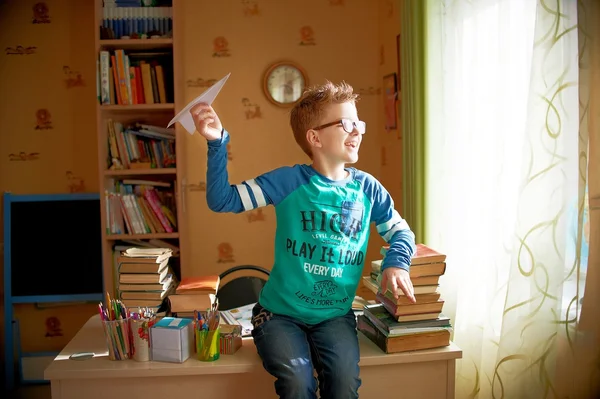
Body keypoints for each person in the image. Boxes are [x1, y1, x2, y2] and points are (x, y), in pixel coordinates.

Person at [190, 81, 417, 399]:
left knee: (343, 384)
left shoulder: (369, 190)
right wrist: (216, 143)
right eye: (347, 124)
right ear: (315, 137)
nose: (358, 132)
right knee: (298, 383)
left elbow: (402, 232)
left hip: (335, 316)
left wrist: (397, 262)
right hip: (280, 317)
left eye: (358, 124)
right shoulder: (287, 181)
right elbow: (222, 200)